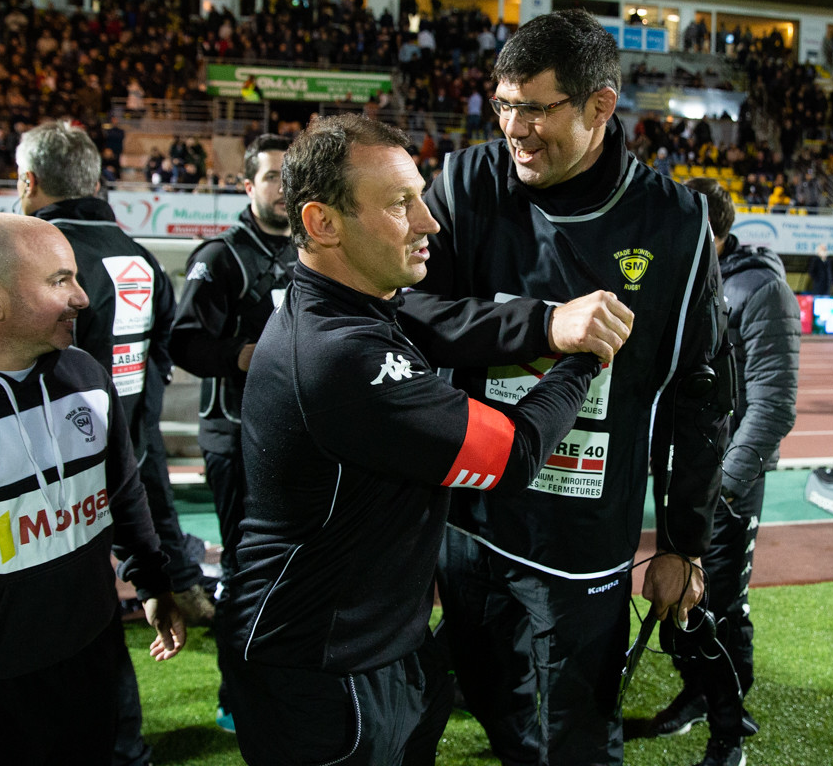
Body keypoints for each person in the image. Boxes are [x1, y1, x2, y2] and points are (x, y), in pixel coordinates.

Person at [221, 114, 630, 765]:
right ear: (323, 223)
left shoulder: (350, 304)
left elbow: (447, 323)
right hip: (322, 671)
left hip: (379, 649)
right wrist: (585, 357)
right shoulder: (341, 355)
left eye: (421, 196)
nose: (429, 221)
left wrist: (551, 321)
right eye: (400, 204)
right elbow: (514, 454)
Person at [398, 9, 732, 766]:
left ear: (600, 106)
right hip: (471, 517)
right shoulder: (467, 181)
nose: (514, 130)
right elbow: (410, 314)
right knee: (489, 699)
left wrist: (684, 543)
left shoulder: (675, 222)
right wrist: (543, 324)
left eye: (536, 110)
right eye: (503, 105)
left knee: (578, 733)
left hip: (582, 536)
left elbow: (701, 394)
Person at [0, 213, 185, 765]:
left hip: (92, 660)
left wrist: (152, 581)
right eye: (59, 280)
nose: (82, 297)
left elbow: (122, 490)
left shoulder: (86, 376)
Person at [15, 120, 208, 765]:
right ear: (95, 181)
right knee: (94, 616)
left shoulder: (35, 255)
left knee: (49, 627)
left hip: (48, 470)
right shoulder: (139, 255)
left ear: (28, 181)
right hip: (124, 453)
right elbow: (158, 362)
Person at [646, 178, 799, 765]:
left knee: (720, 608)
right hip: (681, 474)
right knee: (676, 601)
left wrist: (724, 488)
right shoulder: (677, 278)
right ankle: (695, 696)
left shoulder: (761, 290)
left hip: (728, 482)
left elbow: (774, 404)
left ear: (714, 233)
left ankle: (729, 736)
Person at [168, 133, 297, 731]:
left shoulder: (313, 246)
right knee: (246, 569)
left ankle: (287, 684)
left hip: (298, 436)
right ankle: (235, 695)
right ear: (247, 186)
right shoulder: (221, 256)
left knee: (295, 567)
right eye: (270, 177)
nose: (282, 188)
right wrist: (244, 355)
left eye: (289, 176)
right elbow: (184, 341)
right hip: (236, 436)